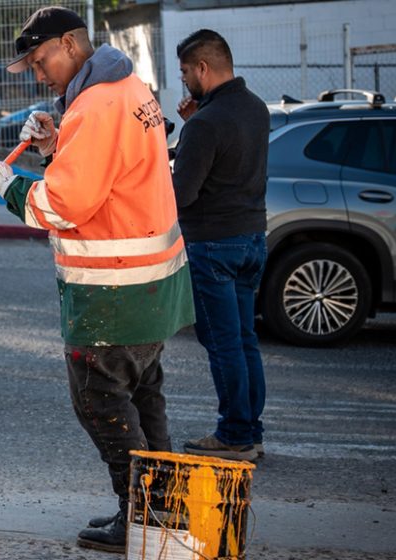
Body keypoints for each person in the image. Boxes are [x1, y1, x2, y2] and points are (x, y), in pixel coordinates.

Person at [0, 7, 194, 553]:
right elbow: (109, 173)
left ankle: (138, 514)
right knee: (144, 397)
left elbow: (65, 205)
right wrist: (56, 147)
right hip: (151, 285)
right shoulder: (129, 88)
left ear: (71, 44)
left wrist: (8, 186)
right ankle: (161, 512)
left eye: (40, 59)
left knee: (100, 402)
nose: (38, 72)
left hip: (113, 290)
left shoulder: (95, 106)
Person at [171, 29, 269, 463]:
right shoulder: (256, 108)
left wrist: (185, 137)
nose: (184, 80)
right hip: (252, 238)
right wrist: (195, 124)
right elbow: (228, 158)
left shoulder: (205, 124)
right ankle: (250, 431)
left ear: (203, 68)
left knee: (223, 343)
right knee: (245, 340)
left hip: (212, 244)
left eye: (185, 72)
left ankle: (234, 436)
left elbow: (183, 193)